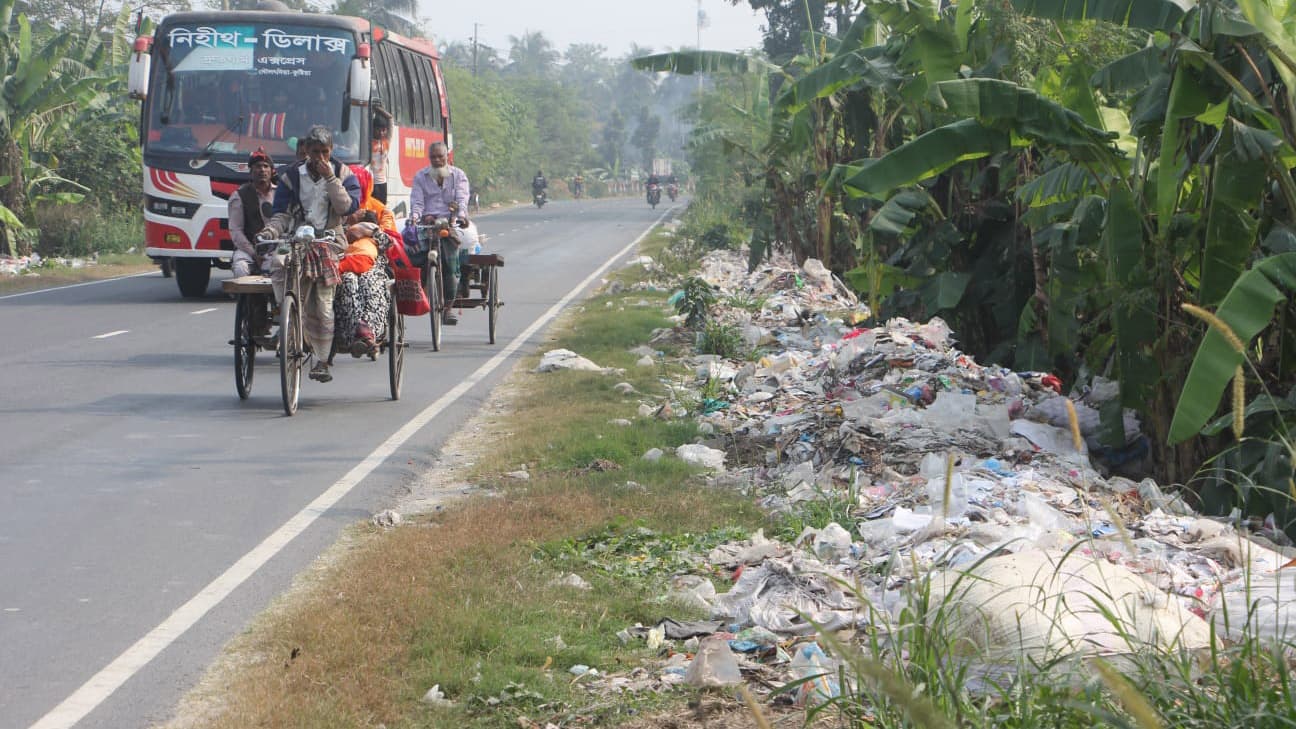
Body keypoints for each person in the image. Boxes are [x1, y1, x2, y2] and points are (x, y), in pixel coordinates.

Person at [258, 125, 361, 383]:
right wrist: (271, 231)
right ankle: (288, 317)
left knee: (323, 303)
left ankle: (322, 360)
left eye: (325, 152)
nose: (320, 158)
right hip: (296, 237)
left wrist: (330, 179)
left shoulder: (343, 173)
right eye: (315, 152)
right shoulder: (291, 175)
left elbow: (347, 207)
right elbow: (280, 214)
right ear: (306, 151)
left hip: (329, 241)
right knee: (279, 262)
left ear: (331, 150)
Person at [409, 141, 470, 325]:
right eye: (433, 157)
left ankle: (449, 307)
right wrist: (416, 216)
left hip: (450, 224)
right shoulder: (421, 177)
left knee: (451, 262)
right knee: (411, 254)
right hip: (427, 225)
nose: (436, 160)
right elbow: (417, 202)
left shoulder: (458, 176)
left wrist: (460, 216)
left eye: (440, 157)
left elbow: (461, 199)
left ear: (447, 157)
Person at [334, 220, 392, 357]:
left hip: (372, 266)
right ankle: (353, 332)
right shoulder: (338, 228)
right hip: (345, 264)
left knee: (370, 284)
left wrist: (368, 231)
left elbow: (387, 242)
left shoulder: (374, 231)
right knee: (348, 281)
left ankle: (367, 333)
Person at [228, 147, 276, 279]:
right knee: (240, 268)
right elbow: (236, 231)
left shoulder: (280, 194)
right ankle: (244, 299)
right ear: (251, 171)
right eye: (257, 166)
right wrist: (254, 253)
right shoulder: (239, 196)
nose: (262, 170)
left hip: (275, 249)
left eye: (266, 166)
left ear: (272, 171)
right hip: (248, 250)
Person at [369, 105, 393, 204]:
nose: (381, 132)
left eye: (384, 130)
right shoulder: (367, 142)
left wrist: (377, 109)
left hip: (382, 183)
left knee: (382, 210)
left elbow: (390, 118)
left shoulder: (386, 141)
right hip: (370, 182)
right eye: (378, 129)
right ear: (373, 129)